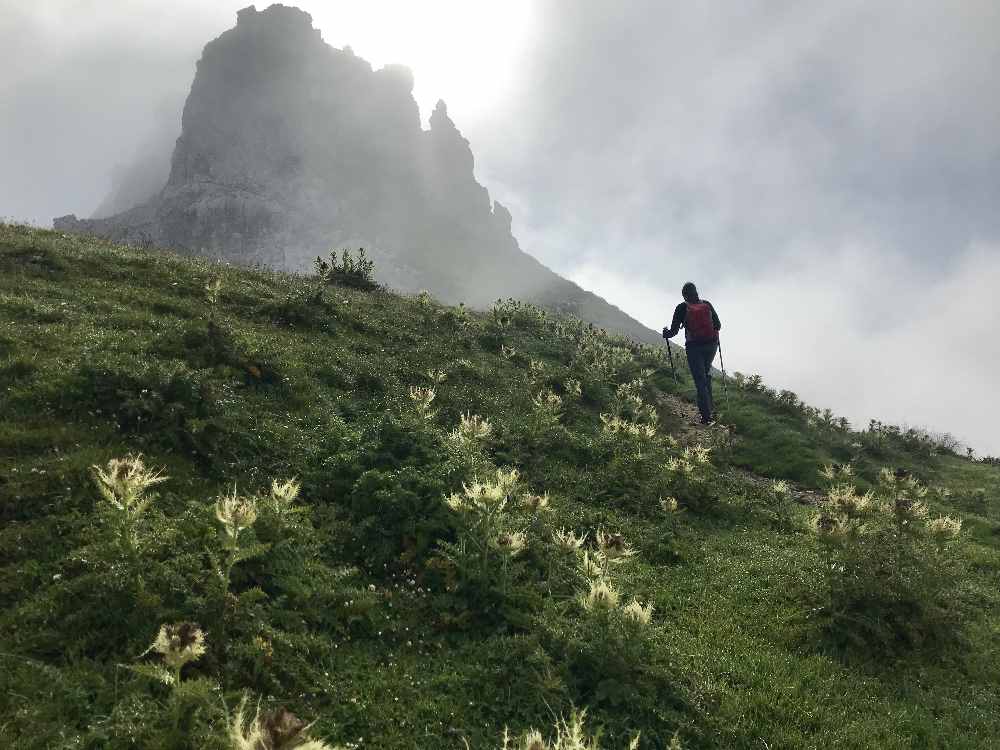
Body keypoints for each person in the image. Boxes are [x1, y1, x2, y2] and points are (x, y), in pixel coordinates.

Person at [662, 282, 721, 425]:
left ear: (684, 295)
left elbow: (673, 331)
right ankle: (710, 409)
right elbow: (718, 325)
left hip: (694, 347)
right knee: (705, 376)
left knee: (700, 380)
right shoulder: (706, 304)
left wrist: (666, 333)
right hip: (711, 345)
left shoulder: (682, 308)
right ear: (696, 292)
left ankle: (706, 418)